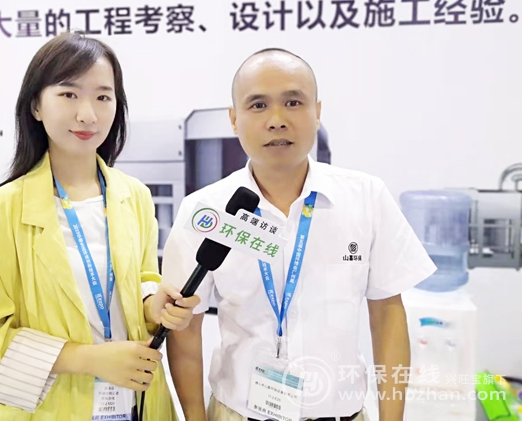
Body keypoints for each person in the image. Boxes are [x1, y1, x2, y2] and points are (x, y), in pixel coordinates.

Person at [163, 48, 437, 421]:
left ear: (317, 112)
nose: (277, 120)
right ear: (234, 119)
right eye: (258, 105)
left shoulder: (366, 197)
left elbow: (387, 314)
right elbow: (186, 326)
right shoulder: (205, 211)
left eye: (293, 102)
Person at [0, 32, 199, 421]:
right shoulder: (0, 212)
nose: (87, 114)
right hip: (46, 410)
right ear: (36, 105)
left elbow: (141, 280)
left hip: (134, 402)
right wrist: (88, 359)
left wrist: (154, 305)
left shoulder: (134, 196)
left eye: (103, 97)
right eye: (69, 94)